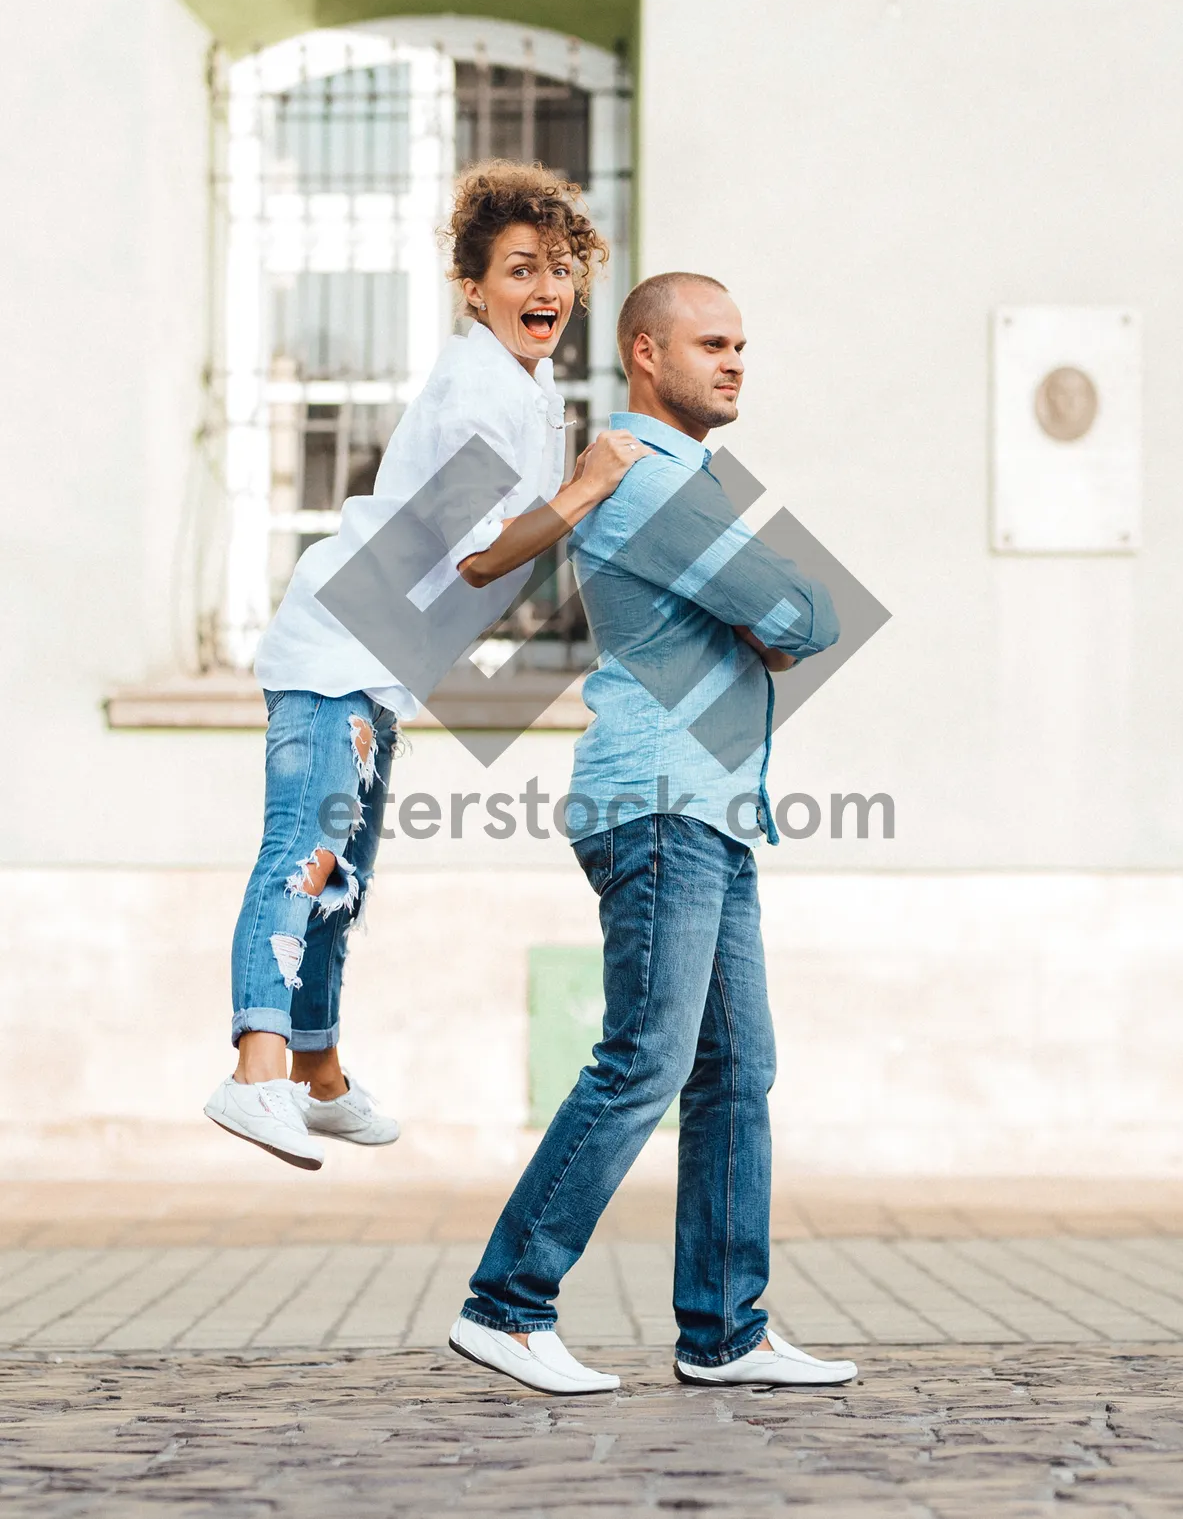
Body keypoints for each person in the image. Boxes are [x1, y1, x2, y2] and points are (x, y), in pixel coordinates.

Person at [450, 272, 859, 1392]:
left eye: (742, 344)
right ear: (644, 353)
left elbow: (791, 613)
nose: (734, 362)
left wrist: (773, 613)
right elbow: (807, 612)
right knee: (648, 1059)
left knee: (736, 1068)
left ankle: (724, 1331)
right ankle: (507, 1302)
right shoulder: (642, 480)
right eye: (711, 343)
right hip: (663, 801)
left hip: (713, 805)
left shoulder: (690, 482)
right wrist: (771, 617)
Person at [203, 162, 650, 1170]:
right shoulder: (476, 391)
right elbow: (484, 554)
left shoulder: (527, 388)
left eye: (563, 268)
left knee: (342, 883)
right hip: (333, 652)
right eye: (522, 268)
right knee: (303, 856)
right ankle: (254, 1070)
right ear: (474, 287)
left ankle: (315, 1074)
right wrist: (585, 491)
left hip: (376, 660)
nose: (549, 288)